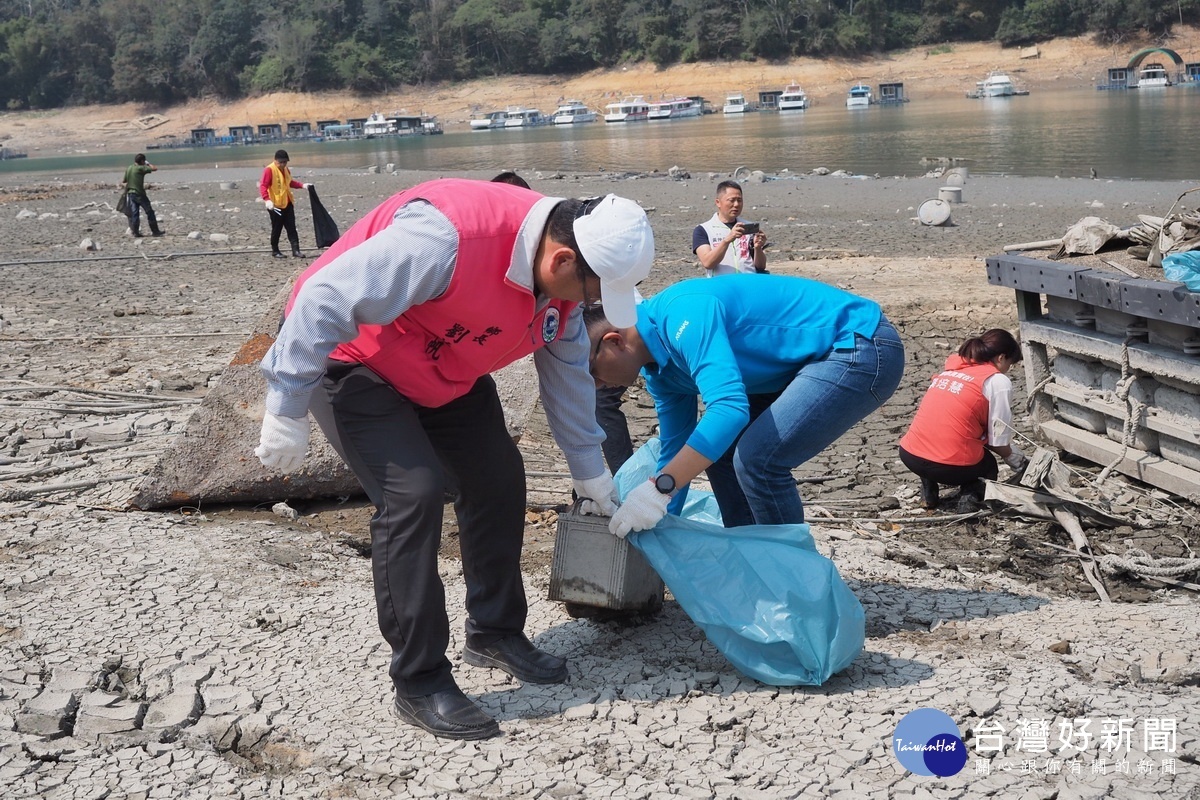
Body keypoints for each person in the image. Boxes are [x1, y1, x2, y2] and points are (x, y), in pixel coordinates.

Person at [254, 179, 654, 740]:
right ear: (562, 256)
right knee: (411, 494)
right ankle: (419, 680)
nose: (589, 307)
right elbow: (323, 296)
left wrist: (591, 473)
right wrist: (287, 404)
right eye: (591, 292)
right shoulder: (447, 238)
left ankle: (494, 631)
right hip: (356, 358)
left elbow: (565, 377)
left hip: (444, 370)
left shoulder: (561, 286)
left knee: (497, 475)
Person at [586, 274, 904, 537]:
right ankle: (751, 558)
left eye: (591, 372)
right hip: (800, 364)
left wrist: (660, 488)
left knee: (757, 459)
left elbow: (729, 408)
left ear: (614, 342)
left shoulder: (683, 314)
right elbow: (676, 449)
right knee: (720, 454)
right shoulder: (657, 370)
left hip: (859, 344)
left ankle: (789, 582)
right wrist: (653, 523)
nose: (597, 385)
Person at [491, 172, 636, 473]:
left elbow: (565, 364)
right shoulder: (486, 253)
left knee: (598, 400)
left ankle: (614, 479)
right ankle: (611, 479)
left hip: (608, 325)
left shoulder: (566, 276)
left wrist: (590, 474)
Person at [898, 329, 1027, 510]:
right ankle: (970, 497)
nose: (1008, 370)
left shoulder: (950, 371)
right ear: (1001, 358)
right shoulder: (997, 382)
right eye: (1010, 364)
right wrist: (1018, 461)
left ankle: (929, 494)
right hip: (949, 466)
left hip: (910, 455)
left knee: (935, 439)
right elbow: (998, 441)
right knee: (988, 465)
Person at [692, 180, 767, 277]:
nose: (736, 204)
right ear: (718, 202)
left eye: (739, 200)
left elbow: (760, 267)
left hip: (748, 284)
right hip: (722, 286)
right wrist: (727, 240)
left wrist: (758, 248)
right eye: (732, 200)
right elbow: (708, 263)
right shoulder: (704, 229)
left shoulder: (748, 227)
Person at [259, 149, 311, 258]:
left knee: (291, 227)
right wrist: (267, 200)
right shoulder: (269, 170)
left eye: (285, 162)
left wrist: (302, 185)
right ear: (275, 161)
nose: (283, 164)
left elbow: (290, 182)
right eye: (281, 162)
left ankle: (296, 250)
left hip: (287, 203)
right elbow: (263, 185)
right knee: (277, 228)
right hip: (275, 205)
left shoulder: (286, 170)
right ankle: (275, 250)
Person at [121, 154, 163, 238]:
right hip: (139, 194)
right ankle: (155, 231)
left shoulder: (129, 168)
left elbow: (124, 180)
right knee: (149, 212)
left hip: (131, 194)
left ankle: (136, 232)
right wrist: (148, 163)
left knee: (135, 213)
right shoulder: (140, 168)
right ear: (142, 161)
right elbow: (154, 168)